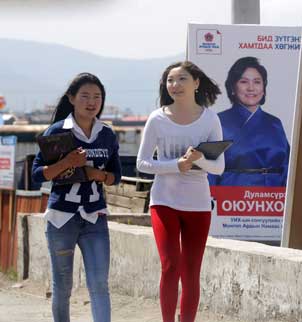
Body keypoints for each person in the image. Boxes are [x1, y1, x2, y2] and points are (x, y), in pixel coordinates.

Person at [136, 61, 224, 322]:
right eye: (170, 80)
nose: (175, 85)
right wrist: (177, 165)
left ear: (196, 83)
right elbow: (142, 163)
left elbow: (219, 167)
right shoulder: (157, 118)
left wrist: (198, 160)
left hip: (198, 204)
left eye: (182, 79)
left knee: (191, 272)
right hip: (164, 201)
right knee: (170, 265)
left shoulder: (210, 119)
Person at [32, 72, 122, 322]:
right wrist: (68, 162)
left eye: (97, 97)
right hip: (62, 218)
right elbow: (38, 175)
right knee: (62, 287)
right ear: (71, 98)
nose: (92, 102)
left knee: (99, 285)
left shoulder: (107, 134)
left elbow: (117, 175)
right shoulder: (58, 131)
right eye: (85, 96)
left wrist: (99, 175)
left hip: (95, 217)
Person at [209, 56, 290, 187]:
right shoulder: (218, 121)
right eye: (244, 82)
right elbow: (209, 170)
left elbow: (288, 166)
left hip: (274, 198)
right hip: (232, 198)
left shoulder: (275, 123)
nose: (251, 88)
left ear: (264, 88)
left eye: (257, 82)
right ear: (232, 88)